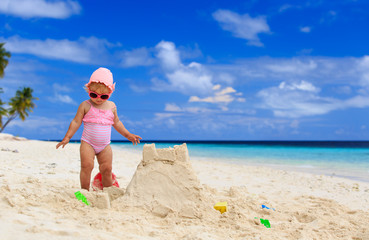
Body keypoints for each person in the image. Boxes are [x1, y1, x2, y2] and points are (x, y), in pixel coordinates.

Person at [56, 67, 142, 190]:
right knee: (87, 166)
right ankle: (84, 191)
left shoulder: (112, 107)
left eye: (104, 96)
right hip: (88, 143)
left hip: (105, 145)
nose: (98, 98)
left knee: (107, 168)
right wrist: (67, 137)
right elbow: (76, 121)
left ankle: (108, 190)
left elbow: (117, 122)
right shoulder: (86, 105)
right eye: (93, 94)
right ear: (88, 90)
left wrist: (128, 135)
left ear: (110, 93)